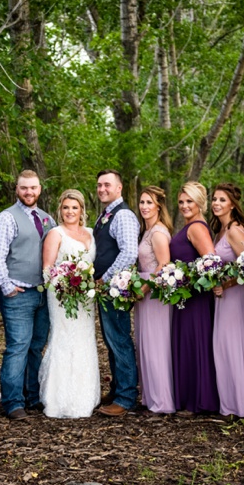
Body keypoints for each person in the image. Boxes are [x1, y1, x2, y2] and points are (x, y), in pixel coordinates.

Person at [0, 170, 54, 420]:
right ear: (17, 189)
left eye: (33, 188)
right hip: (18, 293)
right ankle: (13, 402)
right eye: (24, 188)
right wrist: (6, 286)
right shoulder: (6, 218)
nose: (29, 192)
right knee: (17, 347)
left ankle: (32, 396)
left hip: (43, 294)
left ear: (40, 189)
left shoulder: (48, 219)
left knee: (36, 347)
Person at [38, 189, 100, 418]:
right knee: (64, 340)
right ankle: (59, 399)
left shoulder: (92, 234)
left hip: (85, 298)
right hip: (62, 297)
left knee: (84, 340)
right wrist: (63, 284)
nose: (70, 212)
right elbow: (47, 268)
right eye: (66, 207)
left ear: (82, 210)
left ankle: (83, 397)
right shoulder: (55, 233)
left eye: (74, 207)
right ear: (60, 210)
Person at [209, 183, 244, 419]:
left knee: (232, 345)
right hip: (224, 296)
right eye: (214, 199)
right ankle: (232, 400)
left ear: (232, 204)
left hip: (236, 296)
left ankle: (239, 404)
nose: (216, 203)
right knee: (224, 346)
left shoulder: (234, 230)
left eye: (222, 200)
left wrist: (226, 284)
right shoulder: (220, 230)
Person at [170, 182, 219, 416]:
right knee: (187, 345)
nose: (185, 206)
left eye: (189, 201)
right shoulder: (188, 226)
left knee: (195, 344)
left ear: (200, 202)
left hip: (195, 298)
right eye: (181, 202)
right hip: (185, 297)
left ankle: (199, 400)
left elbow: (210, 262)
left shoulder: (197, 227)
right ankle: (189, 397)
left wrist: (185, 279)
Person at [94, 170, 140, 417]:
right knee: (112, 341)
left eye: (107, 185)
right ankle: (117, 388)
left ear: (119, 187)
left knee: (120, 340)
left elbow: (129, 253)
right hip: (105, 290)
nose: (102, 189)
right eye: (99, 185)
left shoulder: (122, 215)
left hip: (115, 289)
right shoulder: (105, 215)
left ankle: (126, 397)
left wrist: (105, 278)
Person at [134, 186, 175, 416]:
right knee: (146, 345)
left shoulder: (158, 232)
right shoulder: (146, 230)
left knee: (156, 345)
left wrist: (145, 288)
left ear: (158, 206)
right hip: (144, 293)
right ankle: (150, 396)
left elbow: (164, 264)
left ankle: (161, 400)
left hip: (155, 294)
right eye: (142, 202)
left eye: (149, 202)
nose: (145, 207)